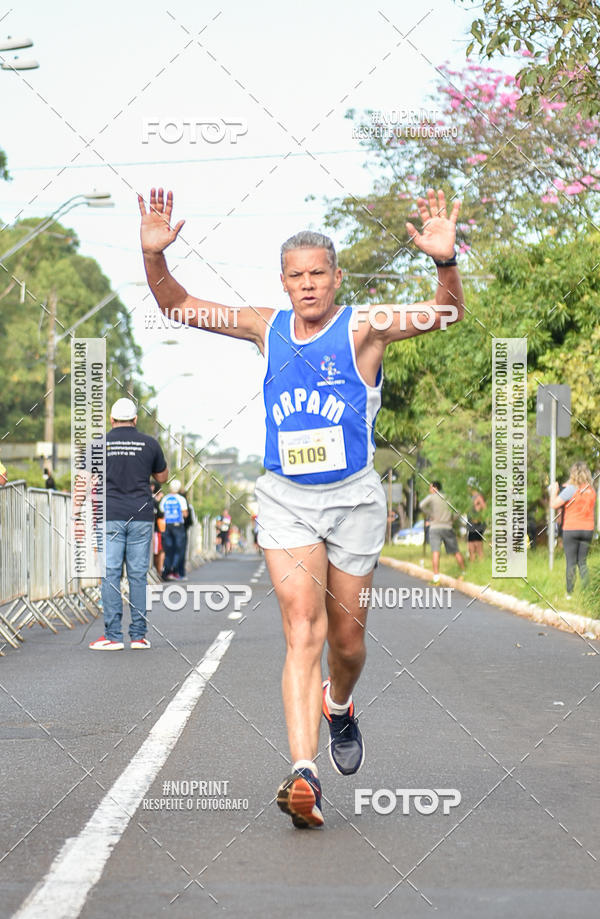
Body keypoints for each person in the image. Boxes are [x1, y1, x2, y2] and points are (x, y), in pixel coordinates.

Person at [139, 185, 465, 828]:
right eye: (297, 276)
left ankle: (339, 705)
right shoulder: (265, 327)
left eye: (319, 274)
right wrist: (154, 258)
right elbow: (177, 306)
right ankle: (303, 772)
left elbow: (446, 314)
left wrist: (445, 263)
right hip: (286, 499)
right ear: (283, 283)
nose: (308, 285)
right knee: (302, 629)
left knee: (347, 642)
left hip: (353, 499)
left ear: (337, 278)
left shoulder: (365, 328)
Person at [89, 398, 168, 651]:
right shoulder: (149, 443)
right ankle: (138, 636)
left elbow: (84, 480)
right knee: (137, 576)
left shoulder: (99, 444)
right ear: (135, 420)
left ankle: (112, 637)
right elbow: (162, 476)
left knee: (111, 575)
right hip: (141, 515)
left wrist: (75, 516)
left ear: (111, 420)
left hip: (109, 514)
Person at [550, 461, 597, 599]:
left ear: (573, 474)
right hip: (587, 529)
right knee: (582, 561)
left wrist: (554, 491)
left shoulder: (571, 489)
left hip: (571, 529)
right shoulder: (591, 491)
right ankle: (588, 592)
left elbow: (554, 505)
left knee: (571, 561)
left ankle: (569, 593)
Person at [419, 481, 466, 583]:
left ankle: (436, 576)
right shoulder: (448, 497)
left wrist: (430, 514)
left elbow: (421, 505)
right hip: (447, 527)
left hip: (435, 527)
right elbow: (458, 510)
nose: (429, 490)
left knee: (435, 552)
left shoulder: (431, 497)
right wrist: (452, 519)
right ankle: (464, 571)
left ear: (435, 488)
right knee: (455, 551)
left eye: (430, 487)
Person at [160, 479, 189, 579]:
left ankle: (166, 571)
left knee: (168, 549)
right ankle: (175, 570)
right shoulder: (181, 499)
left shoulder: (165, 499)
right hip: (178, 526)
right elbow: (185, 514)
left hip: (167, 526)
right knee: (179, 549)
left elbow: (162, 512)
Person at [466, 481, 486, 561]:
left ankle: (481, 565)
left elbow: (485, 509)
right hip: (471, 525)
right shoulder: (471, 497)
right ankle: (472, 565)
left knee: (478, 547)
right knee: (471, 547)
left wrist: (479, 518)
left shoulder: (478, 497)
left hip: (478, 525)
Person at [151, 482, 166, 575]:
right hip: (155, 530)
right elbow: (160, 515)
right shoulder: (154, 501)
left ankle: (157, 570)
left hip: (155, 530)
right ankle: (158, 571)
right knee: (157, 551)